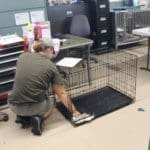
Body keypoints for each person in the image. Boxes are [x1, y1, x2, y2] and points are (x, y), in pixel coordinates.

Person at [7, 39, 92, 136]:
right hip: (33, 107)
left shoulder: (22, 56)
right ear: (48, 50)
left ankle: (22, 117)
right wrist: (75, 112)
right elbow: (61, 93)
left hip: (12, 104)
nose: (53, 55)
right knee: (51, 105)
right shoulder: (50, 66)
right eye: (53, 52)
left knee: (20, 91)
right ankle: (39, 119)